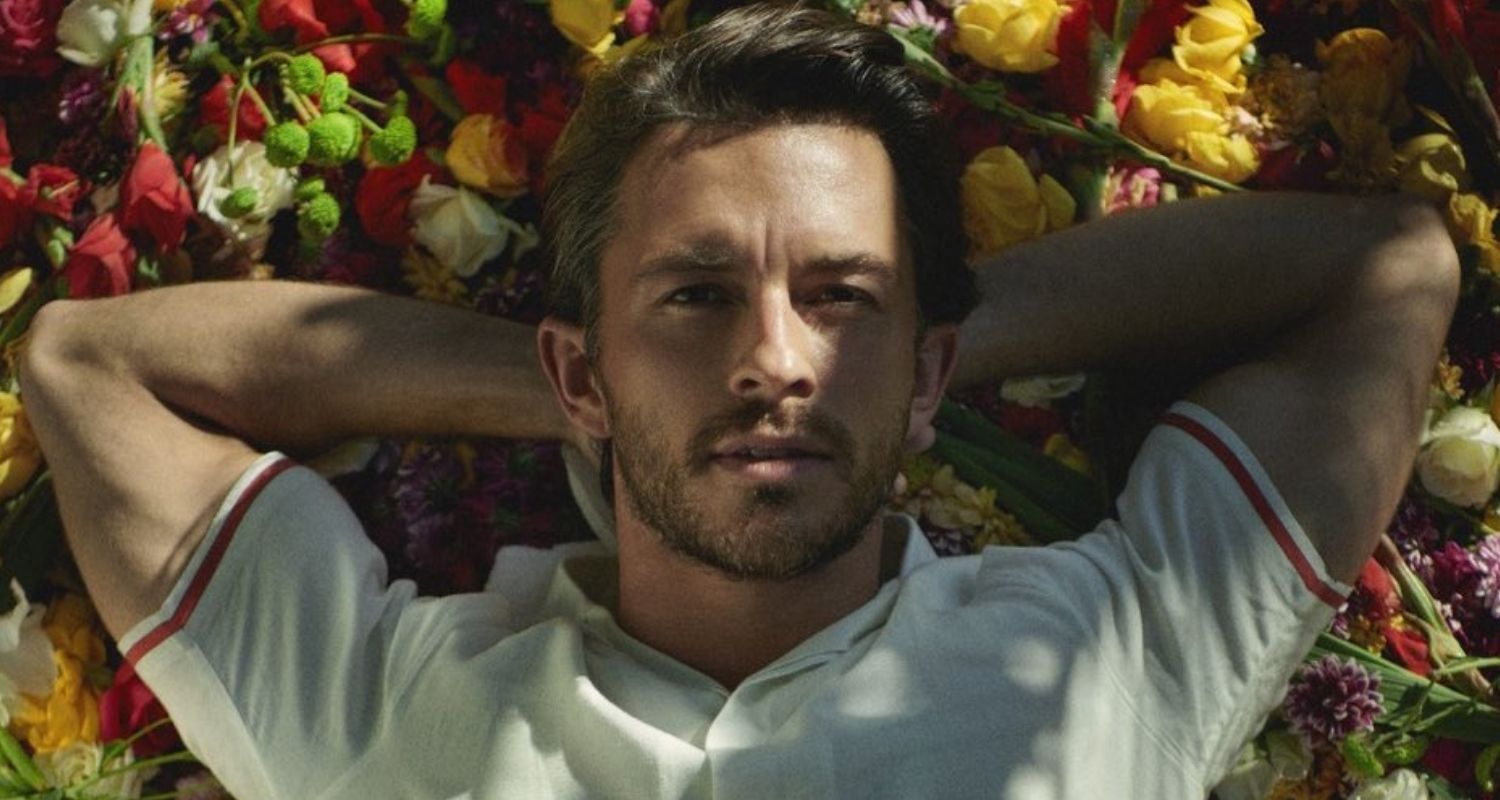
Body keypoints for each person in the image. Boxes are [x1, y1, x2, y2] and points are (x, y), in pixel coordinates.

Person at [20, 4, 1458, 798]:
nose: (777, 360)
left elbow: (1389, 265)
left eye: (836, 295)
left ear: (931, 368)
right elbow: (89, 366)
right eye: (699, 296)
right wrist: (611, 394)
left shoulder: (1119, 659)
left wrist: (903, 354)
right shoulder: (383, 718)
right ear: (578, 369)